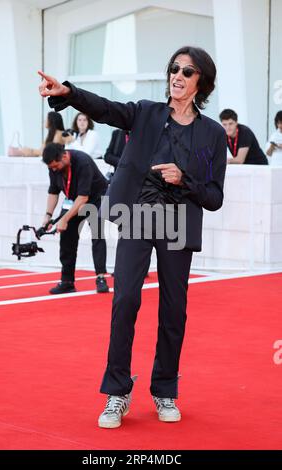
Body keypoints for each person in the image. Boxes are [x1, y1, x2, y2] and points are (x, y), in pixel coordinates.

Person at [38, 45, 227, 428]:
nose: (177, 75)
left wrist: (184, 179)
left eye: (187, 72)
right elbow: (105, 108)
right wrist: (69, 93)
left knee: (174, 310)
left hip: (178, 226)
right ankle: (117, 392)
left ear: (201, 82)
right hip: (137, 216)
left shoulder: (211, 135)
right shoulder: (145, 113)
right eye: (174, 68)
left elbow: (215, 197)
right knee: (124, 300)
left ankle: (164, 390)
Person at [42, 142, 109, 294]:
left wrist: (64, 219)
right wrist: (48, 216)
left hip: (95, 198)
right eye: (51, 167)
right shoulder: (53, 167)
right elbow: (53, 192)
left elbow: (83, 197)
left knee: (97, 235)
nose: (54, 169)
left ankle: (100, 278)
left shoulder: (82, 162)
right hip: (74, 200)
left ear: (64, 156)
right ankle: (67, 281)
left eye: (55, 166)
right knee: (67, 236)